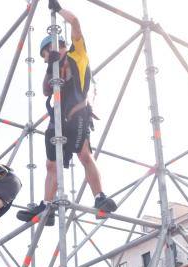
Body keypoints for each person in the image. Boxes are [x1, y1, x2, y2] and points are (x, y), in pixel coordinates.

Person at [17, 0, 117, 225]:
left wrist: (58, 9)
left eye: (46, 53)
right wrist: (48, 67)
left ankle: (100, 197)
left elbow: (75, 23)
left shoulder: (76, 54)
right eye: (43, 56)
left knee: (84, 155)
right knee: (51, 165)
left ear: (57, 45)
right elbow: (45, 91)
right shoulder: (51, 68)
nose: (45, 58)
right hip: (57, 119)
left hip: (77, 114)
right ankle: (47, 207)